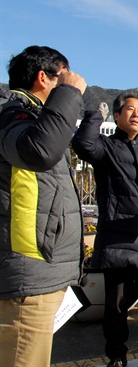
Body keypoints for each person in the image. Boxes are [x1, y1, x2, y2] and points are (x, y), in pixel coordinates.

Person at [72, 91, 138, 367]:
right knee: (117, 307)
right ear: (117, 116)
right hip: (118, 240)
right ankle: (116, 356)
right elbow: (82, 145)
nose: (136, 114)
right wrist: (95, 116)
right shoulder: (106, 147)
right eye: (129, 110)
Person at [0, 46, 87, 367]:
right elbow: (39, 151)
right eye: (61, 76)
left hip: (37, 275)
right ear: (43, 77)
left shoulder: (35, 118)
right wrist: (68, 92)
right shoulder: (12, 112)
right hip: (26, 276)